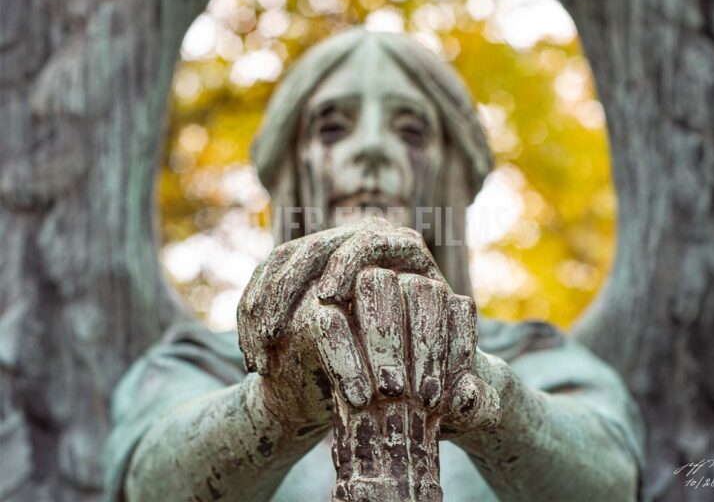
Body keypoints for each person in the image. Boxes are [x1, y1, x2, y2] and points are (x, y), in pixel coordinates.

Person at [105, 28, 642, 501]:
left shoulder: (538, 361)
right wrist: (275, 406)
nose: (372, 151)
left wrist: (473, 385)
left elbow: (612, 481)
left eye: (411, 132)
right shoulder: (194, 366)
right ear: (292, 162)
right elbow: (150, 484)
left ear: (450, 169)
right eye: (332, 129)